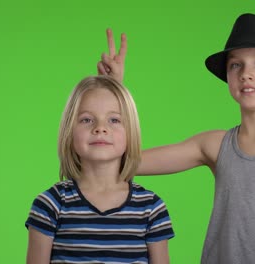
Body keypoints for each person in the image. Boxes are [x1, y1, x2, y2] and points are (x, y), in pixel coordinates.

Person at [99, 13, 255, 264]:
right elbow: (126, 162)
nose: (246, 74)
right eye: (236, 64)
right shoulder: (216, 146)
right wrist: (113, 90)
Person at [25, 75, 174, 264]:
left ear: (131, 132)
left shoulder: (151, 208)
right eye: (87, 120)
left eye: (114, 120)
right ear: (69, 131)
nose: (100, 128)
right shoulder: (50, 205)